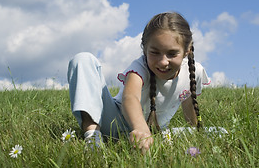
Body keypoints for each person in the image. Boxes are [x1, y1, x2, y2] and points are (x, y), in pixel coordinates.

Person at [67, 12, 210, 153]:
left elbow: (188, 105)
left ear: (187, 51)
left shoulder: (194, 71)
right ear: (145, 48)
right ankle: (94, 140)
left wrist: (196, 133)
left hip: (155, 133)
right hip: (114, 122)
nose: (163, 62)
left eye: (172, 53)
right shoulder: (139, 67)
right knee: (83, 59)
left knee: (219, 132)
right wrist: (140, 128)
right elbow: (130, 97)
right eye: (154, 52)